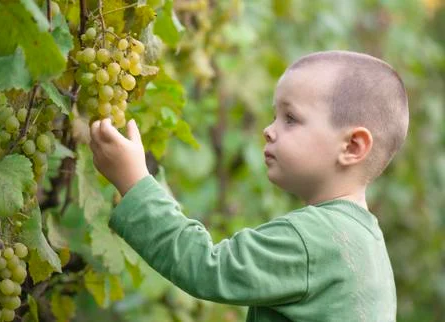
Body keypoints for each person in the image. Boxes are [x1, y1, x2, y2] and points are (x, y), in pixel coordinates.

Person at [89, 50, 409, 322]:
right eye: (274, 116)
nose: (269, 130)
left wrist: (134, 183)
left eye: (291, 119)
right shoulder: (367, 244)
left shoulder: (312, 238)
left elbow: (206, 267)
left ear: (353, 146)